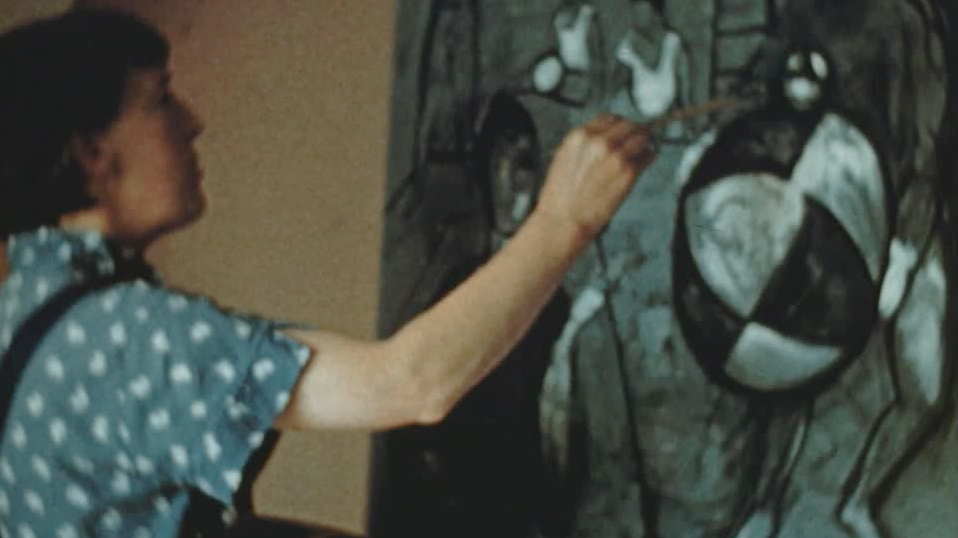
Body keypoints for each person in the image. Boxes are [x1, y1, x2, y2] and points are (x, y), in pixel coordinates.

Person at [0, 7, 656, 538]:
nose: (192, 123)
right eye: (162, 100)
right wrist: (563, 221)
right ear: (93, 154)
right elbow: (411, 383)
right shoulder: (126, 335)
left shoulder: (22, 311)